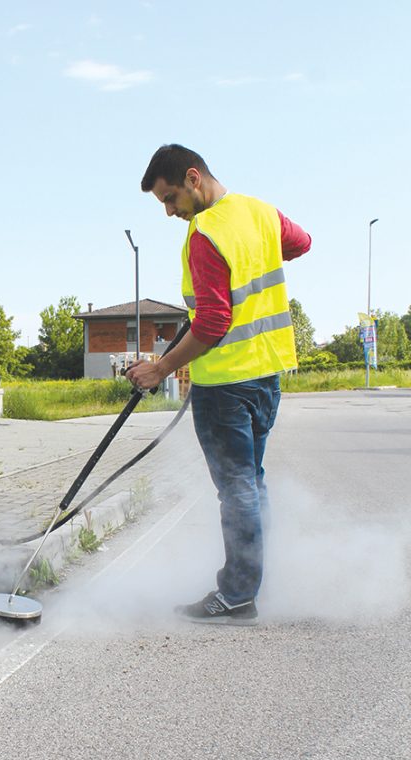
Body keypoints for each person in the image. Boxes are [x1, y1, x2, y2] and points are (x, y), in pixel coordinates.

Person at [125, 144, 311, 625]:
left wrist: (161, 369)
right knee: (252, 483)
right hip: (267, 377)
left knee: (238, 492)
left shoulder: (205, 233)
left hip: (225, 383)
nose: (170, 212)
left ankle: (237, 594)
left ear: (193, 178)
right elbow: (302, 242)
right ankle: (252, 581)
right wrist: (260, 248)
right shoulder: (259, 212)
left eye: (170, 199)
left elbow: (211, 323)